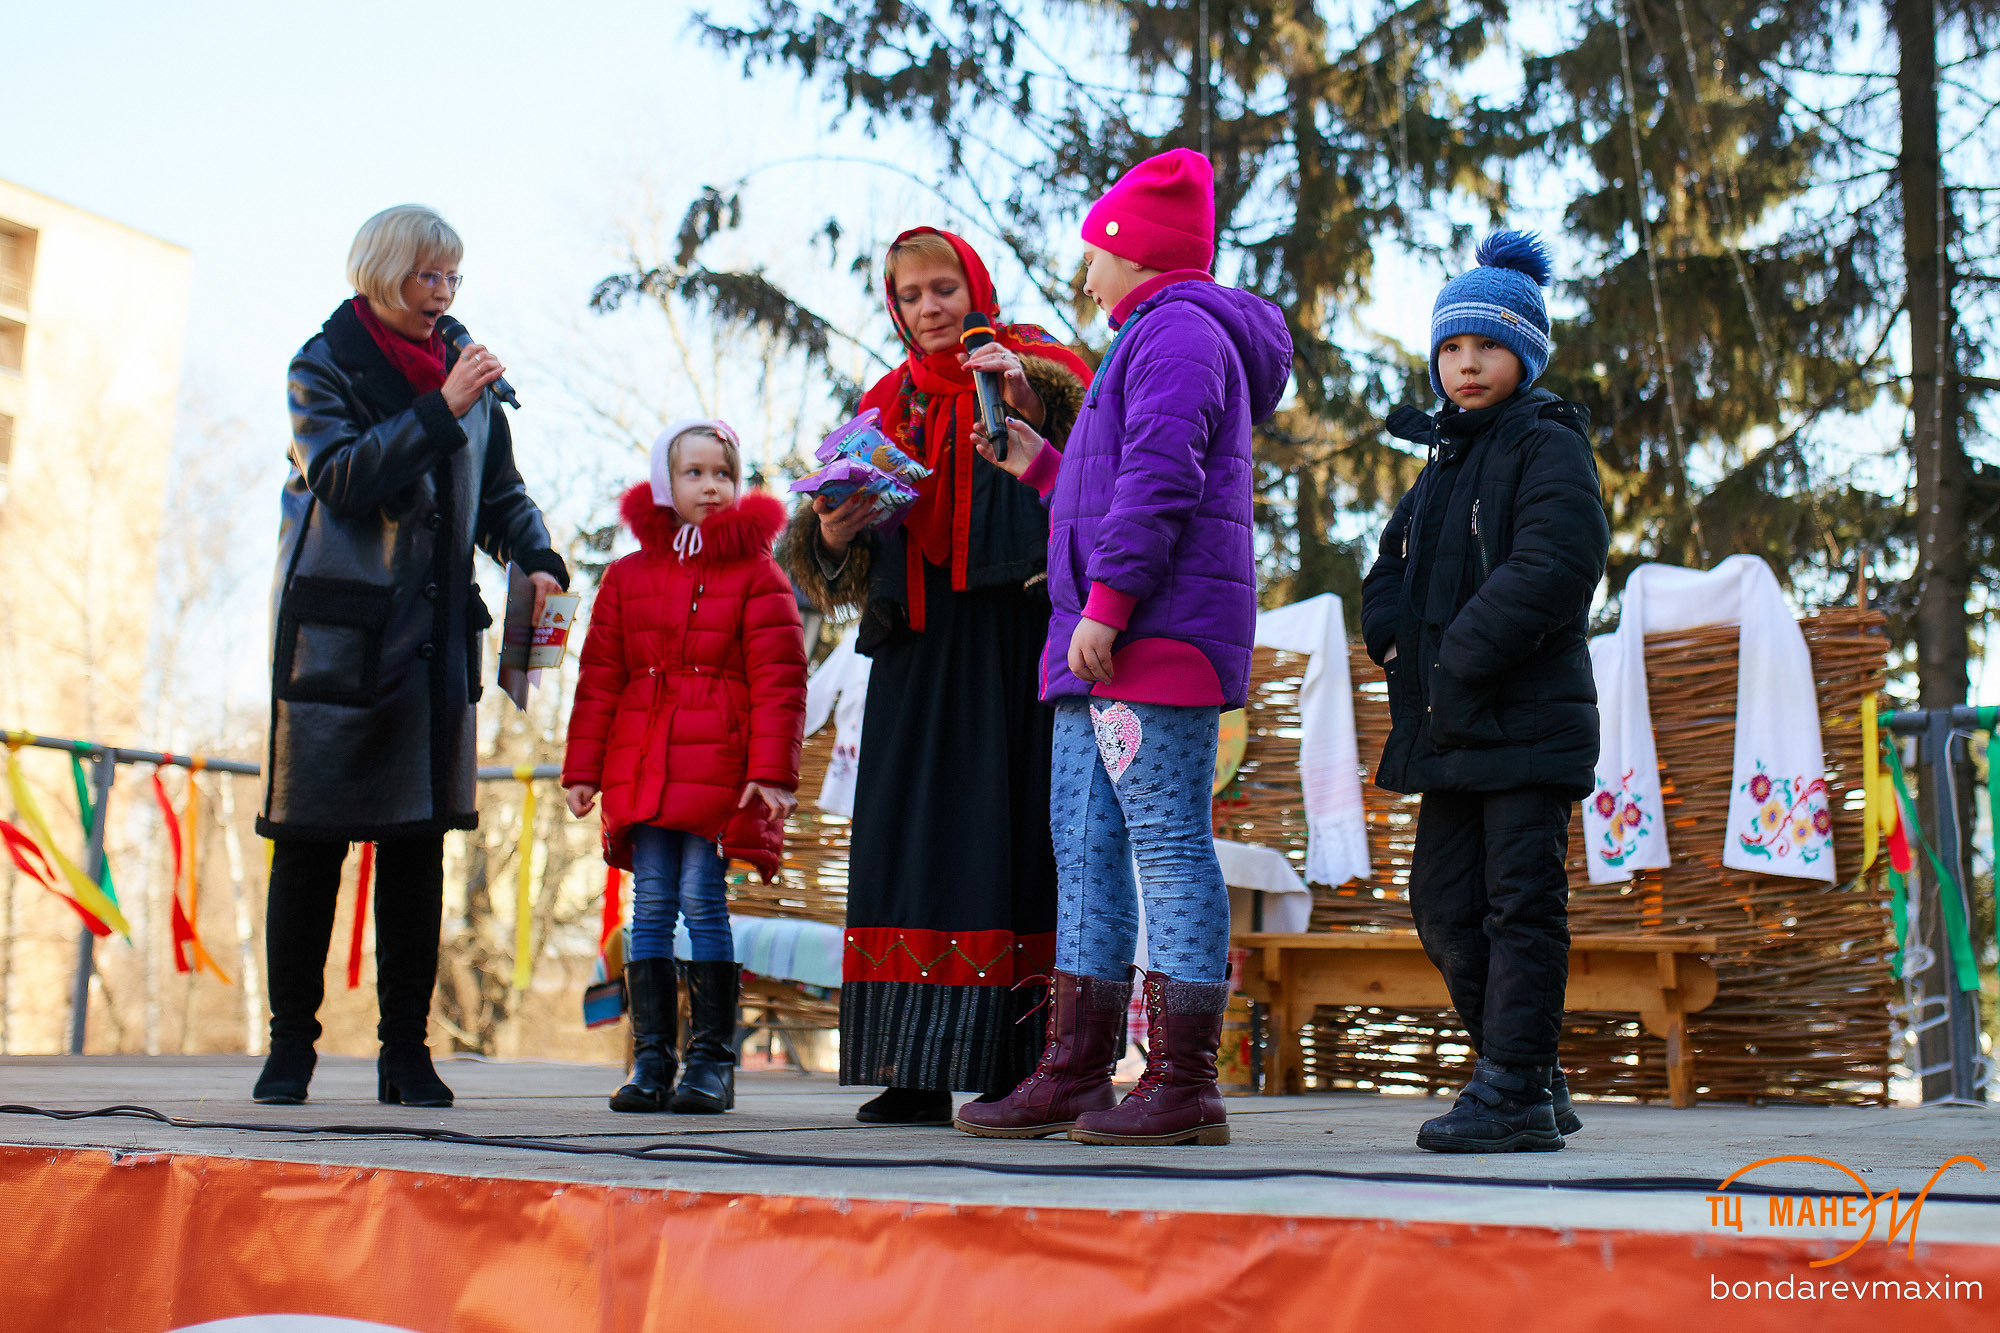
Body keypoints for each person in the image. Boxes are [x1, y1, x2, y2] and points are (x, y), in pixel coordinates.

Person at [955, 148, 1293, 1147]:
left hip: (1146, 638)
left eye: (1091, 255)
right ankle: (1073, 1068)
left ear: (1132, 250)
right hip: (1099, 641)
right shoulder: (1143, 340)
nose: (1082, 277)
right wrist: (1036, 459)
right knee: (1087, 848)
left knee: (1165, 844)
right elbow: (1108, 486)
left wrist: (1107, 603)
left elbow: (1159, 482)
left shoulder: (1181, 334)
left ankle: (1183, 1078)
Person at [255, 205, 569, 1107]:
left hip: (433, 643)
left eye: (454, 279)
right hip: (337, 640)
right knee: (308, 844)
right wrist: (442, 407)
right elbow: (344, 478)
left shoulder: (463, 382)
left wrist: (537, 556)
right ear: (382, 274)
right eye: (429, 276)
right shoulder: (322, 365)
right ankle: (290, 1050)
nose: (444, 295)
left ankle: (406, 1053)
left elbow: (499, 493)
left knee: (416, 846)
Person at [784, 227, 1092, 1125]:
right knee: (911, 842)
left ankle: (1017, 1063)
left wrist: (1030, 400)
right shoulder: (883, 402)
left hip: (1018, 631)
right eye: (911, 294)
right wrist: (833, 532)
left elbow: (1090, 468)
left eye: (943, 287)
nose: (929, 307)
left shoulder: (1040, 366)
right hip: (916, 640)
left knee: (1016, 837)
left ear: (976, 285)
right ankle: (912, 1068)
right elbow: (819, 546)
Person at [1357, 231, 1610, 1153]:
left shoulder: (1548, 445)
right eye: (1453, 349)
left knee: (1521, 902)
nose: (1468, 364)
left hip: (1527, 720)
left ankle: (1509, 1087)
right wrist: (1386, 629)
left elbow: (1558, 563)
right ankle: (1532, 1071)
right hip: (1455, 729)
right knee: (1444, 904)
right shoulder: (1442, 465)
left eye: (1490, 347)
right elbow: (1389, 566)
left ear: (1526, 357)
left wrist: (1458, 652)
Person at [562, 421, 807, 1114]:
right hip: (642, 761)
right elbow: (601, 676)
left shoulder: (758, 574)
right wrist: (584, 767)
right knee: (649, 907)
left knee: (703, 899)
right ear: (666, 483)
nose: (710, 486)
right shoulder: (628, 577)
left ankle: (711, 1060)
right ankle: (650, 1058)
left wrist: (773, 771)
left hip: (718, 765)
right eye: (694, 472)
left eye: (722, 473)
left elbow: (780, 678)